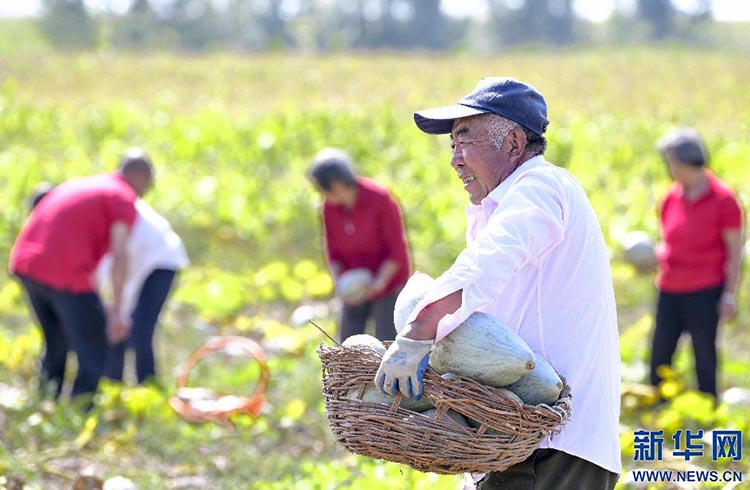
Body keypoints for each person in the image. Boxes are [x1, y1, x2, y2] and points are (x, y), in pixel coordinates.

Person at [374, 78, 621, 489]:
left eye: (464, 141)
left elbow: (488, 264)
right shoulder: (499, 206)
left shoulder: (541, 187)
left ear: (513, 142)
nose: (454, 160)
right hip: (516, 437)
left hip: (556, 444)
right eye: (451, 146)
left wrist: (419, 331)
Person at [9, 148, 153, 401]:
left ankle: (46, 402)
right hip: (61, 269)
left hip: (27, 262)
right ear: (141, 177)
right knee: (96, 343)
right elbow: (120, 254)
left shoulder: (91, 185)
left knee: (57, 340)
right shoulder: (121, 196)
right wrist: (117, 311)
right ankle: (81, 409)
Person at [649, 127, 743, 401]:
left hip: (705, 289)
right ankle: (657, 404)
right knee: (660, 352)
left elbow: (735, 252)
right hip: (669, 286)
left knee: (704, 353)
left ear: (687, 161)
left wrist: (729, 294)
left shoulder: (724, 200)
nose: (670, 169)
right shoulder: (671, 197)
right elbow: (667, 239)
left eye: (672, 163)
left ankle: (707, 407)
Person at [308, 147, 411, 342]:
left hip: (388, 283)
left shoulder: (380, 199)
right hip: (354, 284)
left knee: (386, 342)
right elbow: (332, 251)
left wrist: (378, 283)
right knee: (348, 345)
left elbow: (397, 251)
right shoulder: (329, 208)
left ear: (336, 185)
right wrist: (339, 284)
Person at [98, 192, 189, 385]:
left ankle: (147, 386)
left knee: (140, 329)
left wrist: (115, 309)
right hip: (136, 266)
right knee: (117, 324)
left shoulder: (105, 208)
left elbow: (118, 260)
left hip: (161, 261)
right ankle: (114, 384)